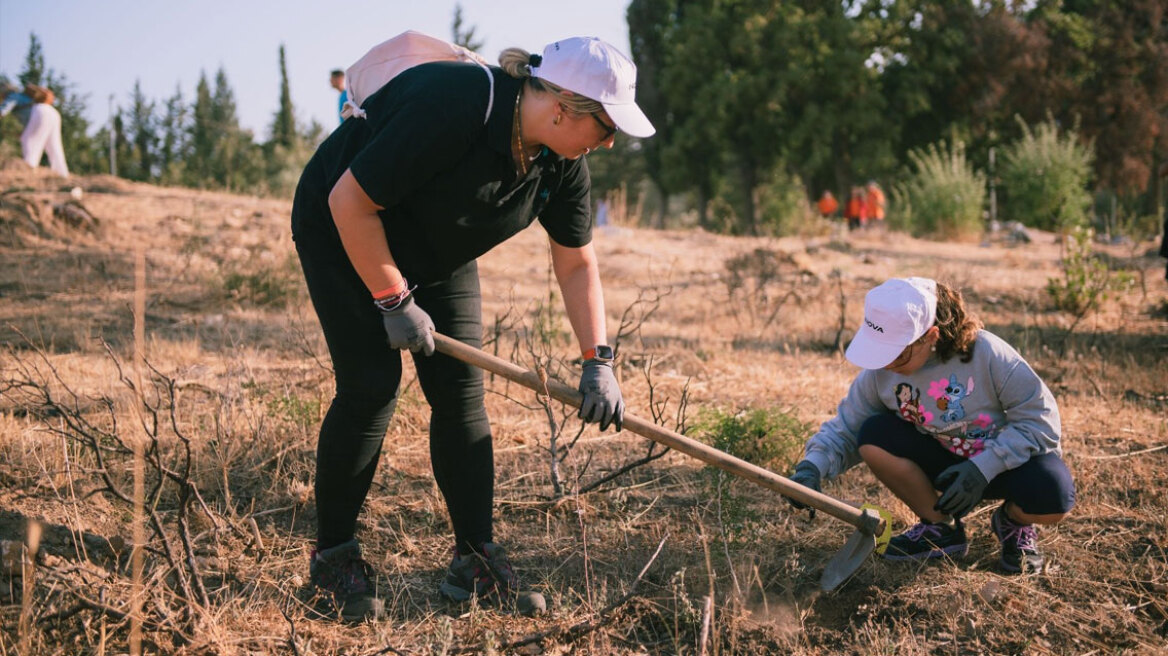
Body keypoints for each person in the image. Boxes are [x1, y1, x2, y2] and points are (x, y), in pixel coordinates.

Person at [291, 36, 655, 622]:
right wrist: (393, 299)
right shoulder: (456, 105)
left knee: (461, 394)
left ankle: (474, 562)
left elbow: (576, 262)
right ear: (563, 106)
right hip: (343, 228)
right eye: (606, 125)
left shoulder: (562, 163)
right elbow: (349, 202)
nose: (610, 141)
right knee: (371, 388)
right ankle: (333, 560)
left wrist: (599, 360)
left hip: (436, 249)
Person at [787, 277, 1074, 574]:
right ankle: (940, 528)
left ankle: (1014, 521)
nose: (887, 364)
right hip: (944, 466)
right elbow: (847, 428)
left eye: (898, 353)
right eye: (881, 351)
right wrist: (812, 467)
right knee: (874, 433)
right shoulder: (880, 373)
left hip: (1003, 465)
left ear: (930, 336)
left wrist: (983, 468)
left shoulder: (987, 354)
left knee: (1054, 494)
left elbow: (1040, 420)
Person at [0, 82, 69, 177]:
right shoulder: (24, 97)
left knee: (30, 143)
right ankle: (62, 175)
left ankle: (28, 173)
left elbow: (2, 111)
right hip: (52, 112)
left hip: (39, 113)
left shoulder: (12, 96)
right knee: (54, 146)